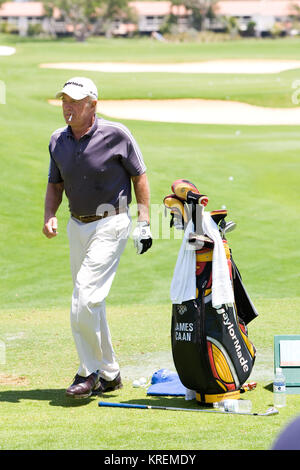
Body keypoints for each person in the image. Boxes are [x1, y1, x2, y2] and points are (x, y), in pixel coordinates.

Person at [43, 77, 152, 399]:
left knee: (85, 298)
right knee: (93, 304)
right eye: (64, 100)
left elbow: (139, 175)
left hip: (111, 222)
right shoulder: (57, 140)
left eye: (75, 102)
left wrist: (145, 222)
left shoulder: (116, 134)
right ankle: (110, 372)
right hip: (77, 226)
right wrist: (49, 214)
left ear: (93, 104)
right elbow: (55, 183)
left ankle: (87, 371)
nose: (68, 107)